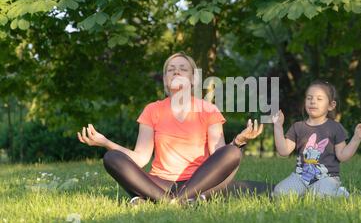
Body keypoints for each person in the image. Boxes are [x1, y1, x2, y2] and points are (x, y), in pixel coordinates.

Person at [77, 52, 267, 205]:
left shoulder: (209, 109)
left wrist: (239, 142)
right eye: (171, 70)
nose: (176, 72)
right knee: (112, 158)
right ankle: (179, 201)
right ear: (166, 79)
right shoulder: (152, 110)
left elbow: (218, 154)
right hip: (159, 183)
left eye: (182, 69)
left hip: (200, 182)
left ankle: (159, 200)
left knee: (232, 152)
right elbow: (141, 158)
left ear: (193, 79)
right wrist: (105, 142)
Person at [271, 80, 361, 198]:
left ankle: (341, 193)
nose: (313, 101)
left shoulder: (335, 127)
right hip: (300, 176)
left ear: (331, 105)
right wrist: (277, 126)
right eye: (309, 98)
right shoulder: (298, 127)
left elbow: (342, 156)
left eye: (319, 99)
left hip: (326, 178)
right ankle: (305, 191)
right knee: (279, 193)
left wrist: (356, 138)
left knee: (320, 196)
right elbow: (283, 151)